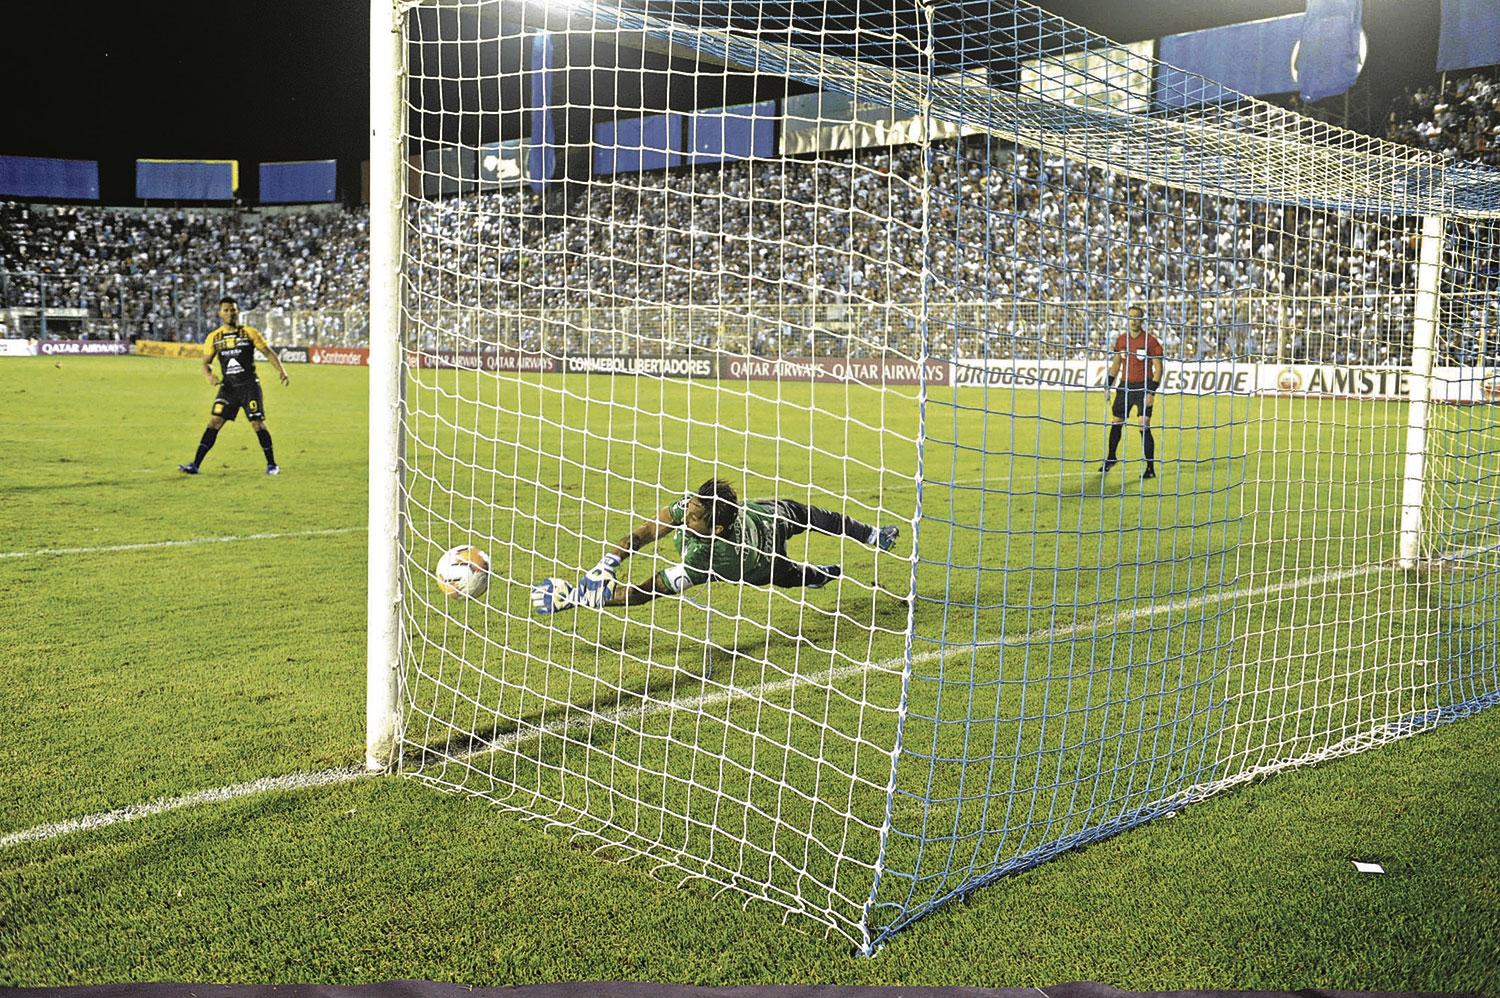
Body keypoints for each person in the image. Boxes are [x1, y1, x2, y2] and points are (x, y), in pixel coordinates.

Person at [531, 478, 900, 613]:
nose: (686, 515)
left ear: (718, 528)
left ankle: (870, 536)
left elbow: (648, 592)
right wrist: (609, 561)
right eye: (689, 509)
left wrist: (585, 598)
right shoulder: (698, 507)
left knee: (811, 534)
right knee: (803, 571)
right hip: (764, 517)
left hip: (761, 557)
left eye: (693, 518)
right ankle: (822, 574)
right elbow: (648, 530)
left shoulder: (709, 558)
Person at [178, 297, 290, 475]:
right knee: (214, 422)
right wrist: (209, 375)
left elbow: (268, 353)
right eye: (226, 310)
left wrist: (281, 370)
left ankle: (272, 465)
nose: (230, 313)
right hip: (228, 387)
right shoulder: (214, 337)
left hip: (249, 386)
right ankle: (195, 465)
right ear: (220, 313)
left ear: (237, 312)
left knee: (257, 423)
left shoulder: (249, 333)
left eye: (233, 310)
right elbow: (206, 362)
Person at [1100, 304, 1164, 481]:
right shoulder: (1121, 340)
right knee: (1116, 422)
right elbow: (1116, 365)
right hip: (1125, 386)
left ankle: (1150, 467)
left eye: (1137, 317)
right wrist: (1107, 385)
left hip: (1143, 387)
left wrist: (1151, 391)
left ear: (1142, 320)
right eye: (1131, 317)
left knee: (1143, 425)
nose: (1133, 320)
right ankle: (1111, 457)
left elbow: (1158, 368)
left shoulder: (1150, 341)